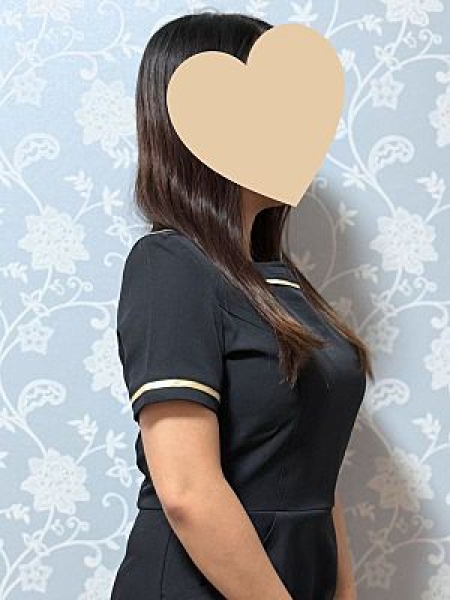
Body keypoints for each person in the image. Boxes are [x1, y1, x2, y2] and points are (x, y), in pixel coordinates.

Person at [110, 10, 373, 600]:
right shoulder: (169, 265)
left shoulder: (280, 283)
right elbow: (186, 490)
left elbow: (316, 471)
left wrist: (344, 590)